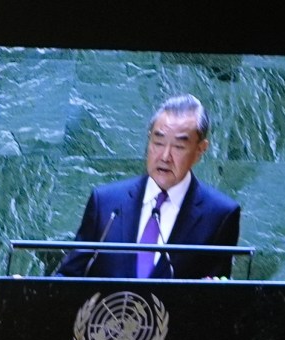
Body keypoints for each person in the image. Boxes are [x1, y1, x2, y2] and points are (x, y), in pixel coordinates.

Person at [54, 94, 242, 280]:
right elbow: (69, 276)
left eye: (178, 147)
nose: (165, 156)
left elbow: (218, 298)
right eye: (158, 143)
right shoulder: (106, 202)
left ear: (200, 149)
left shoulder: (220, 214)